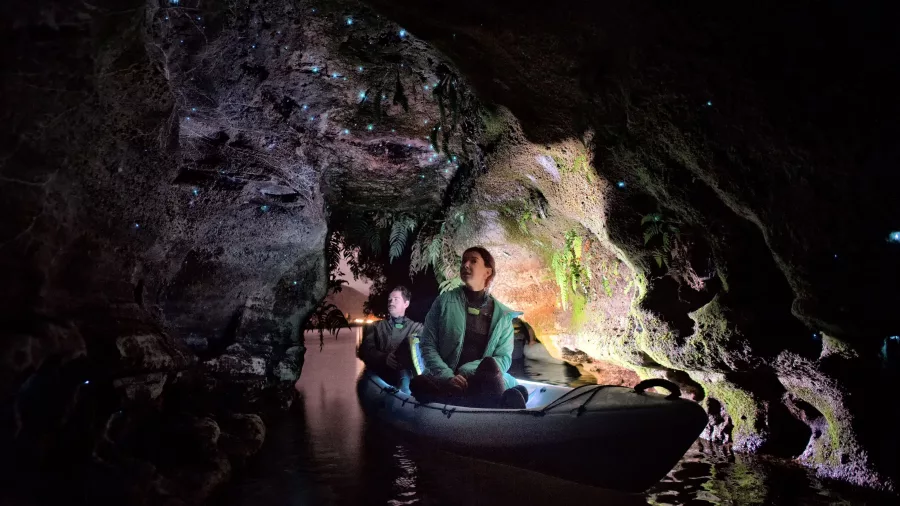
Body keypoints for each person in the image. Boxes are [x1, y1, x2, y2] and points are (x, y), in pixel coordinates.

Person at [410, 246, 529, 409]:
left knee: (490, 365)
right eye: (463, 261)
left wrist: (467, 371)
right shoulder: (443, 302)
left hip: (481, 380)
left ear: (488, 272)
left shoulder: (502, 315)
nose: (465, 264)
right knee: (418, 383)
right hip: (447, 379)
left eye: (473, 261)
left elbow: (504, 358)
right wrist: (448, 376)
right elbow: (427, 345)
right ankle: (484, 402)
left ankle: (465, 400)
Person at [358, 286, 424, 391]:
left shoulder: (416, 327)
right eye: (389, 300)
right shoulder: (376, 327)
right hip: (384, 377)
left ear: (406, 304)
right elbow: (365, 350)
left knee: (413, 340)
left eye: (395, 299)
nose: (391, 302)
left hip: (410, 375)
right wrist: (384, 358)